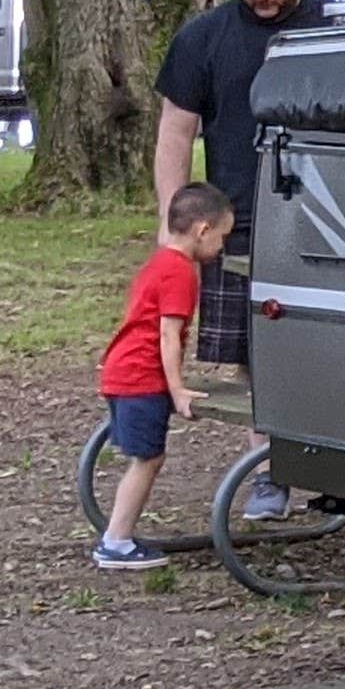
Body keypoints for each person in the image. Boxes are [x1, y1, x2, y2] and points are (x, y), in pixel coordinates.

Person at [155, 0, 321, 520]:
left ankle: (338, 467)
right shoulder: (204, 39)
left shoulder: (332, 30)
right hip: (238, 220)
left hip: (326, 219)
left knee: (327, 341)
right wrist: (172, 226)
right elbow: (174, 134)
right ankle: (268, 474)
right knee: (253, 351)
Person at [95, 183, 232, 568]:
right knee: (148, 459)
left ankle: (116, 537)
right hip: (140, 376)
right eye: (222, 237)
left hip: (122, 371)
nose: (222, 248)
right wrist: (178, 390)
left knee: (144, 457)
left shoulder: (158, 262)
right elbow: (168, 334)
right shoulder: (180, 273)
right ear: (202, 230)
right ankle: (116, 542)